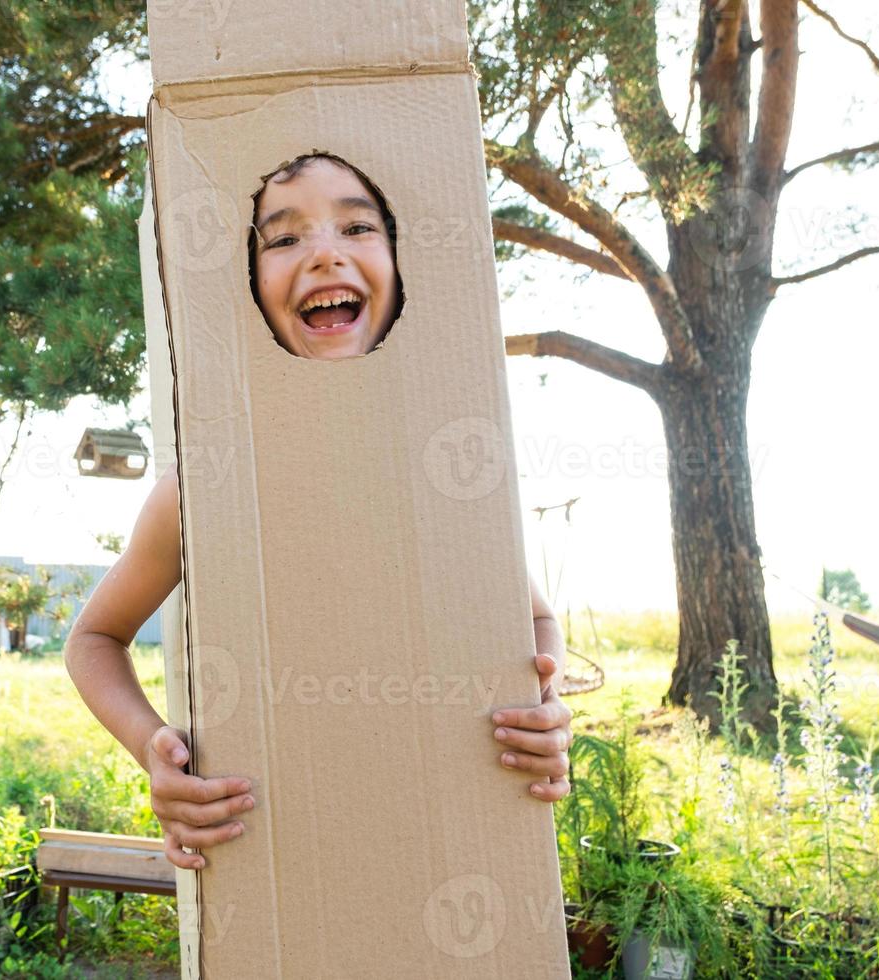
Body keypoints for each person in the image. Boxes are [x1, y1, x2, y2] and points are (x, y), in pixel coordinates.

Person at [64, 152, 573, 872]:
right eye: (283, 238)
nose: (325, 252)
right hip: (273, 862)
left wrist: (544, 702)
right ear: (247, 286)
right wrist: (153, 748)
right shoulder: (205, 487)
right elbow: (93, 639)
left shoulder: (454, 475)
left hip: (455, 849)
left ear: (403, 264)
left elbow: (535, 619)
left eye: (358, 225)